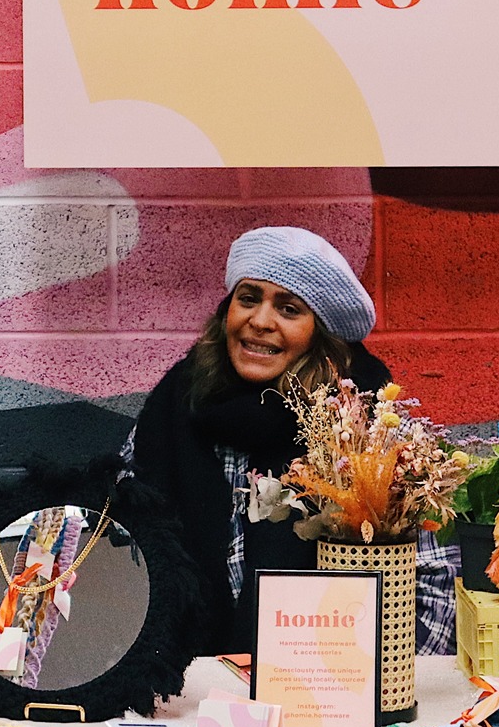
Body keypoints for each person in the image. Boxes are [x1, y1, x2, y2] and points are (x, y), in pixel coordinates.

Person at [128, 225, 453, 655]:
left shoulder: (366, 433)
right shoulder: (174, 408)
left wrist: (358, 691)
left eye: (289, 308)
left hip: (324, 693)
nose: (260, 322)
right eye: (248, 299)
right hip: (184, 693)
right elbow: (121, 548)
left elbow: (432, 594)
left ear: (321, 336)